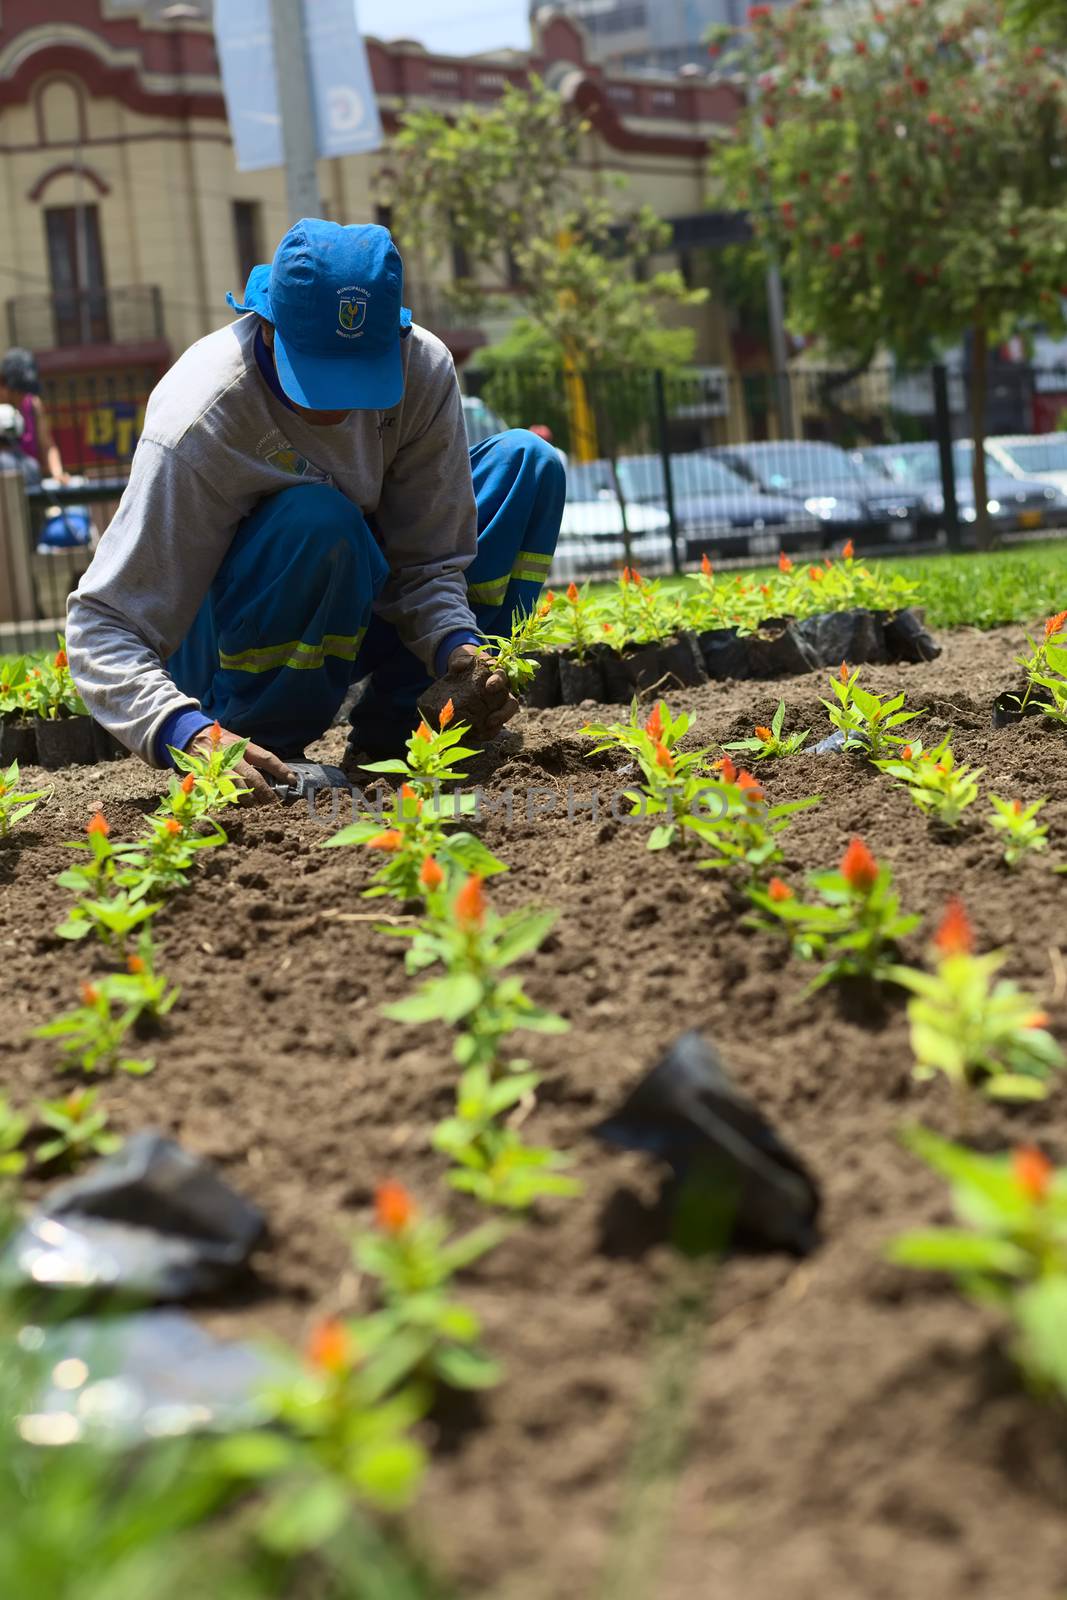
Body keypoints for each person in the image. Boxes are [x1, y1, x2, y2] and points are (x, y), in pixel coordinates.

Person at [66, 220, 565, 801]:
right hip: (229, 644)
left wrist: (460, 647)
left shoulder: (421, 369)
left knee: (528, 464)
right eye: (321, 378)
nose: (342, 405)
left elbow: (429, 563)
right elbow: (102, 624)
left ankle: (412, 731)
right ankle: (267, 748)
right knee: (318, 518)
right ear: (269, 325)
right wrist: (189, 732)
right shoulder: (200, 420)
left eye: (358, 377)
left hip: (356, 590)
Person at [0, 347, 69, 484]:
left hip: (28, 480)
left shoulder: (33, 404)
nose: (23, 395)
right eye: (19, 390)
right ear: (3, 384)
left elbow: (47, 445)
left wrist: (58, 473)